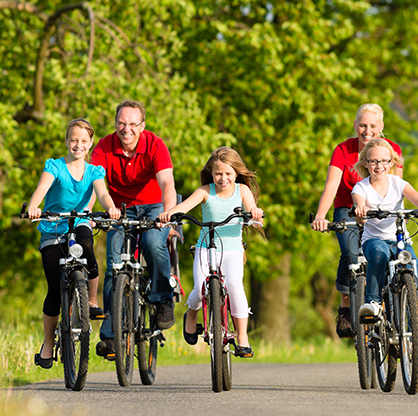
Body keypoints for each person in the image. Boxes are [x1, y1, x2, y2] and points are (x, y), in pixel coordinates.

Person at [26, 118, 121, 369]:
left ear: (90, 143)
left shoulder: (94, 171)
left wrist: (110, 208)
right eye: (73, 140)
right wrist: (35, 206)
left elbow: (102, 193)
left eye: (83, 140)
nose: (78, 144)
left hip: (79, 221)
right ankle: (48, 343)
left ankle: (90, 300)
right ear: (67, 141)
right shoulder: (54, 166)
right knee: (54, 291)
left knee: (88, 251)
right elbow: (42, 189)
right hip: (53, 226)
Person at [91, 99, 178, 358]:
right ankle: (110, 337)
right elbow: (95, 182)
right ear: (115, 124)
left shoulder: (155, 144)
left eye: (132, 123)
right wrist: (95, 210)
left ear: (142, 125)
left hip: (154, 206)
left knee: (153, 244)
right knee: (114, 267)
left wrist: (168, 214)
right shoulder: (105, 146)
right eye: (121, 123)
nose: (125, 129)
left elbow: (167, 184)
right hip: (119, 208)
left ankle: (162, 299)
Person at [159, 147, 263, 358]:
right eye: (218, 174)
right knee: (199, 288)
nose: (223, 178)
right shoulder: (205, 191)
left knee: (235, 287)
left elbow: (252, 210)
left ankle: (242, 338)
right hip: (206, 249)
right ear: (211, 173)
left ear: (236, 173)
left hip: (233, 250)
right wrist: (168, 215)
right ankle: (191, 316)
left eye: (228, 173)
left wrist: (255, 215)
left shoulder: (242, 190)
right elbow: (184, 207)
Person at [310, 103, 403, 338]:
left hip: (380, 210)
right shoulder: (343, 150)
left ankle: (388, 301)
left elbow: (397, 188)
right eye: (362, 125)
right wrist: (321, 216)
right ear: (355, 125)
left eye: (372, 125)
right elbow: (332, 185)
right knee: (351, 254)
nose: (367, 130)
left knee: (390, 253)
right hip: (347, 208)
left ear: (381, 127)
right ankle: (346, 306)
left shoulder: (392, 150)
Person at [352, 138, 418, 368]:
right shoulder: (361, 188)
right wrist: (360, 210)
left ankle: (416, 340)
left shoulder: (398, 183)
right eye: (373, 161)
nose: (378, 165)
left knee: (414, 274)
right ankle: (372, 303)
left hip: (400, 240)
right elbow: (358, 206)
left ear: (392, 162)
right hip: (374, 241)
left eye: (383, 161)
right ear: (365, 163)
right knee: (379, 254)